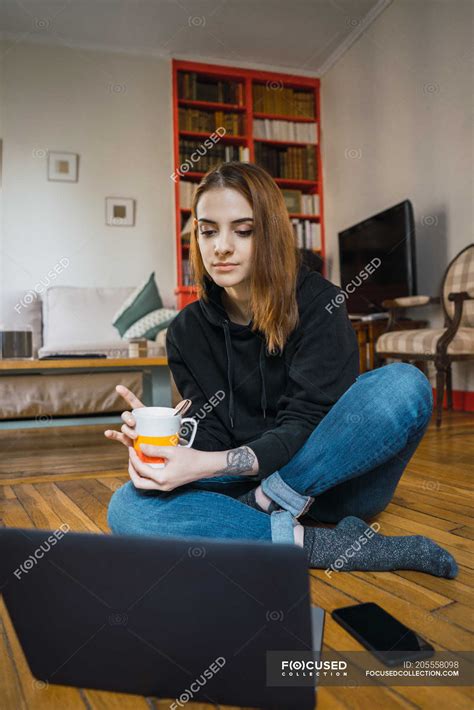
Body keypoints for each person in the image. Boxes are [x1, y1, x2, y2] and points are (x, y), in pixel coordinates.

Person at [105, 161, 457, 578]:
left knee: (405, 384)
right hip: (244, 482)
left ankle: (263, 508)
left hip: (335, 482)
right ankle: (321, 544)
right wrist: (165, 446)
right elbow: (214, 429)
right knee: (128, 507)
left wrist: (221, 472)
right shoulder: (186, 330)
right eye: (208, 229)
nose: (221, 246)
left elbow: (307, 423)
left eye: (243, 229)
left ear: (269, 232)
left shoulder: (320, 303)